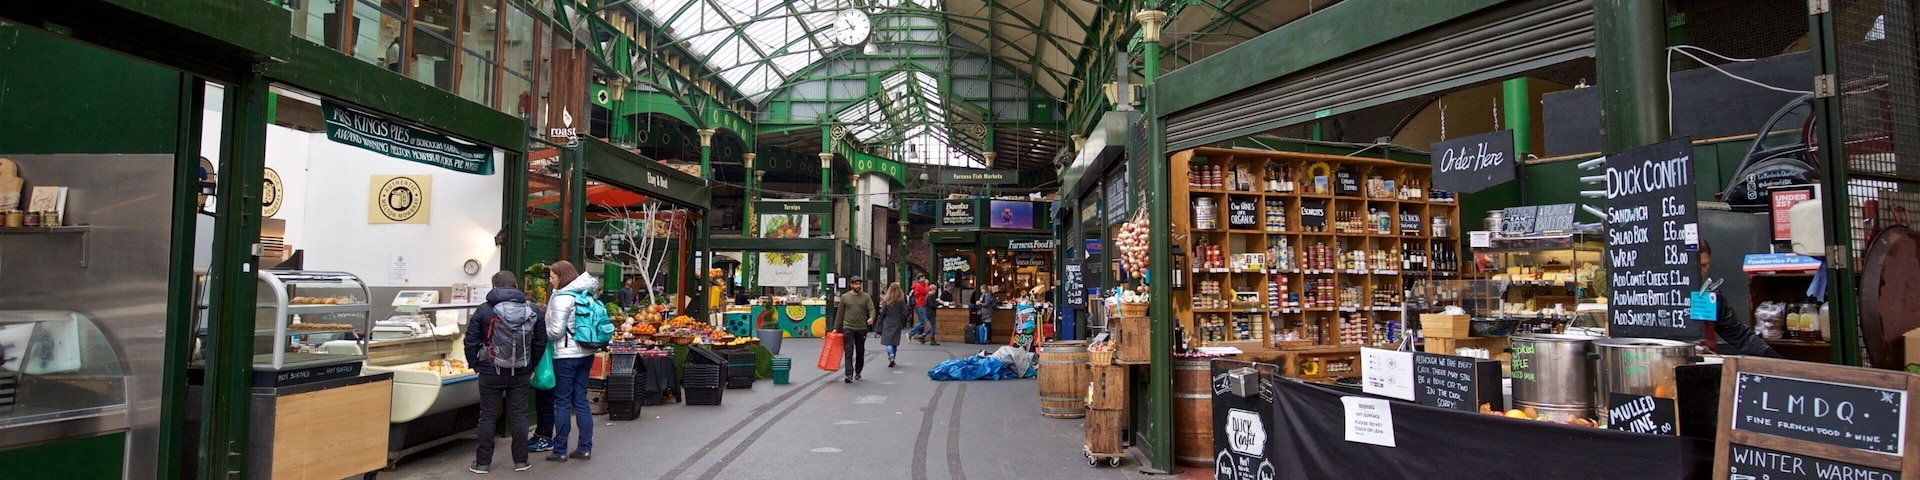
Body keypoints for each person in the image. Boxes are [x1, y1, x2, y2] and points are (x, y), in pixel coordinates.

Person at [465, 272, 547, 474]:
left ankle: (482, 463)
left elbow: (470, 341)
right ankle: (521, 461)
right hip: (521, 371)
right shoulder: (532, 309)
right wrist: (531, 366)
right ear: (516, 286)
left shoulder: (484, 310)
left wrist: (475, 365)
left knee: (487, 417)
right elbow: (540, 342)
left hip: (489, 370)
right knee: (519, 415)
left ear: (494, 287)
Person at [543, 261, 600, 461]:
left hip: (566, 356)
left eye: (552, 277)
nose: (550, 281)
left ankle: (559, 450)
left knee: (562, 402)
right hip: (586, 353)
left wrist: (542, 332)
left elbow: (556, 332)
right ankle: (585, 448)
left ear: (562, 277)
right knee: (581, 400)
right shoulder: (586, 295)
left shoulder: (562, 298)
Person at [1700, 243, 1782, 358]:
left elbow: (1741, 336)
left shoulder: (1711, 298)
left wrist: (1779, 362)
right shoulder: (1666, 297)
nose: (1700, 271)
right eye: (1695, 266)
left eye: (1704, 265)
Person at [833, 276, 875, 383]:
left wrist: (871, 317)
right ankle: (849, 374)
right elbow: (840, 314)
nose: (858, 286)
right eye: (856, 284)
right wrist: (836, 328)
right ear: (851, 285)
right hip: (848, 327)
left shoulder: (866, 297)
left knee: (860, 351)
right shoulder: (845, 297)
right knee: (849, 350)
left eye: (859, 284)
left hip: (861, 328)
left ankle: (858, 371)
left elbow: (872, 309)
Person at [877, 283, 911, 367]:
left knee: (888, 342)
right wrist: (901, 318)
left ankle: (890, 355)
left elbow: (883, 312)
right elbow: (904, 312)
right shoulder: (901, 300)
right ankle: (893, 357)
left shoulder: (886, 300)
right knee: (894, 342)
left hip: (887, 322)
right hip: (897, 322)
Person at [909, 275, 936, 345]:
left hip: (921, 305)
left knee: (922, 321)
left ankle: (921, 337)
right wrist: (927, 284)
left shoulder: (919, 285)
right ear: (920, 278)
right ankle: (911, 333)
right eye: (923, 278)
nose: (925, 279)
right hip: (920, 305)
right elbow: (926, 291)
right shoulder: (918, 285)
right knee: (923, 321)